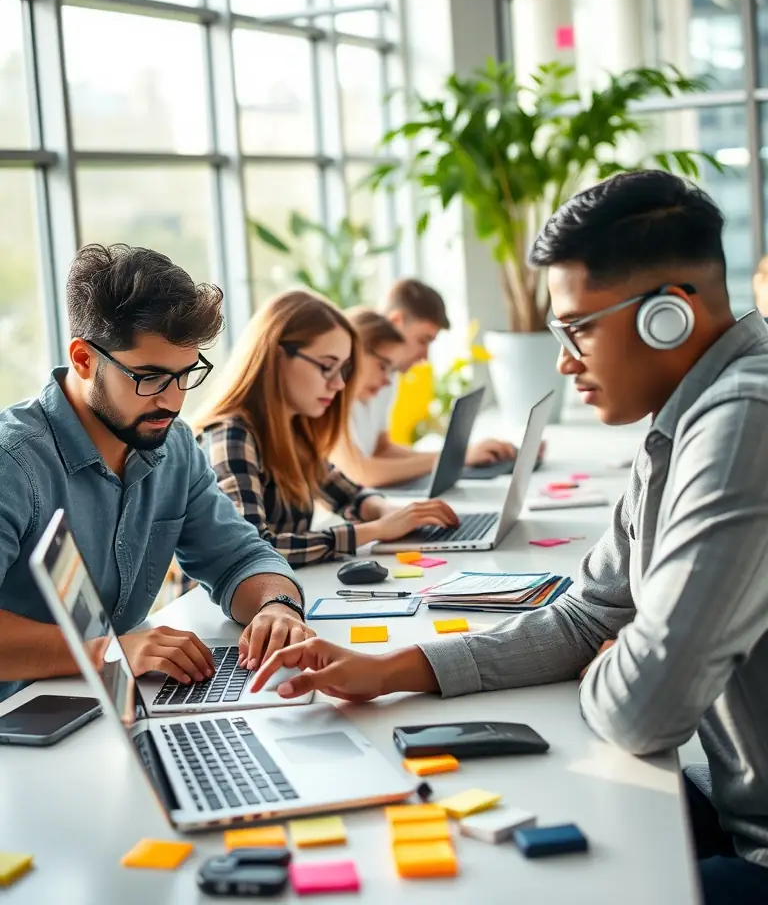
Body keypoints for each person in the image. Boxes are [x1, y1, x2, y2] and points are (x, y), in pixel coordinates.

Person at [254, 172, 768, 904]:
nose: (564, 360)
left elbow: (644, 709)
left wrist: (621, 667)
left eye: (579, 327)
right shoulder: (681, 423)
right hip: (728, 801)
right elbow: (590, 616)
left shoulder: (743, 422)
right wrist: (393, 668)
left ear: (669, 317)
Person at [0, 244, 315, 703]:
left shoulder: (173, 444)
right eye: (149, 377)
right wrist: (110, 652)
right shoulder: (13, 461)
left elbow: (240, 557)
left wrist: (277, 607)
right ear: (84, 359)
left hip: (113, 706)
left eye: (186, 374)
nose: (172, 400)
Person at [192, 290, 459, 567]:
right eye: (327, 367)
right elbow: (254, 549)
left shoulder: (293, 427)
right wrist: (377, 530)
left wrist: (385, 510)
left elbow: (346, 492)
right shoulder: (231, 434)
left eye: (343, 370)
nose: (340, 384)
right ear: (277, 356)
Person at [331, 278, 516, 487]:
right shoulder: (334, 392)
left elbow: (380, 450)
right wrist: (454, 459)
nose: (425, 357)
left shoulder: (383, 381)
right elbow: (361, 473)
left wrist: (455, 458)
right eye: (423, 340)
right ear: (396, 322)